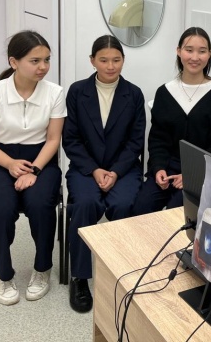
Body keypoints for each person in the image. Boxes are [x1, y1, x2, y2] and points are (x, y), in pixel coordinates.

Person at [0, 30, 66, 306]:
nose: (43, 67)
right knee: (0, 208)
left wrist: (34, 170)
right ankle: (3, 274)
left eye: (47, 60)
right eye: (35, 61)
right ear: (14, 62)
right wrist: (10, 164)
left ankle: (43, 269)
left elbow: (53, 140)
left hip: (40, 159)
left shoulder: (55, 93)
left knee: (40, 204)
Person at [62, 35, 145, 313]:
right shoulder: (77, 91)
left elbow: (136, 142)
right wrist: (95, 169)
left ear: (123, 60)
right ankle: (80, 277)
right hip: (86, 168)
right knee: (86, 203)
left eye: (116, 60)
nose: (111, 66)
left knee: (123, 204)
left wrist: (116, 171)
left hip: (123, 168)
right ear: (92, 61)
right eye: (104, 60)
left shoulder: (134, 94)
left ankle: (119, 272)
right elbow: (71, 139)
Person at [133, 27, 211, 215]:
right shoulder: (165, 92)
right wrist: (158, 168)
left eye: (202, 51)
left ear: (209, 54)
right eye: (189, 50)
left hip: (202, 172)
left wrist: (192, 175)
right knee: (140, 208)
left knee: (176, 213)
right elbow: (157, 139)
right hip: (167, 167)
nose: (195, 57)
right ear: (179, 51)